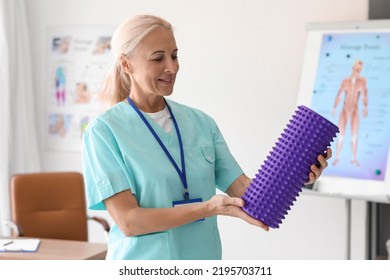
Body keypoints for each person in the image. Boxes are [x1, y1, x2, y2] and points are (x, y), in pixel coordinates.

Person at [82, 14, 332, 260]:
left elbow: (245, 192)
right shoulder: (104, 132)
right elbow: (129, 222)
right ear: (126, 64)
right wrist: (207, 208)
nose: (172, 67)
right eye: (158, 58)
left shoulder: (200, 123)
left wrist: (300, 171)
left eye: (174, 55)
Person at [332, 60, 368, 166]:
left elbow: (365, 95)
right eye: (358, 66)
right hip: (344, 109)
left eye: (360, 67)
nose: (359, 68)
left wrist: (365, 107)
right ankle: (337, 157)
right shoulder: (345, 81)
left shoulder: (362, 81)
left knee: (354, 135)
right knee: (341, 135)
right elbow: (339, 95)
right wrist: (334, 107)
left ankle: (353, 158)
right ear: (353, 66)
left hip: (355, 110)